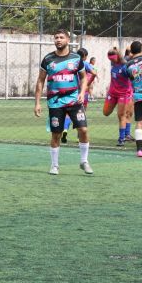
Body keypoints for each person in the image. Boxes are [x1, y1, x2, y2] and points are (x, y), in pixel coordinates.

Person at [33, 29, 92, 176]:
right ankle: (54, 165)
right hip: (55, 103)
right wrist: (37, 103)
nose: (58, 40)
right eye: (56, 38)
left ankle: (84, 161)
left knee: (83, 130)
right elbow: (40, 81)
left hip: (74, 101)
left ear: (67, 40)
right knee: (56, 134)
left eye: (61, 37)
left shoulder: (76, 58)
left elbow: (84, 78)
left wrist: (82, 92)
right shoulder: (48, 59)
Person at [103, 47, 135, 146]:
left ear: (118, 56)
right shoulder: (113, 63)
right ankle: (126, 134)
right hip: (112, 93)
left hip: (124, 94)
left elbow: (134, 77)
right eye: (110, 59)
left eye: (112, 59)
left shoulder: (126, 66)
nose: (111, 61)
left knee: (122, 115)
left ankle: (122, 138)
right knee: (106, 112)